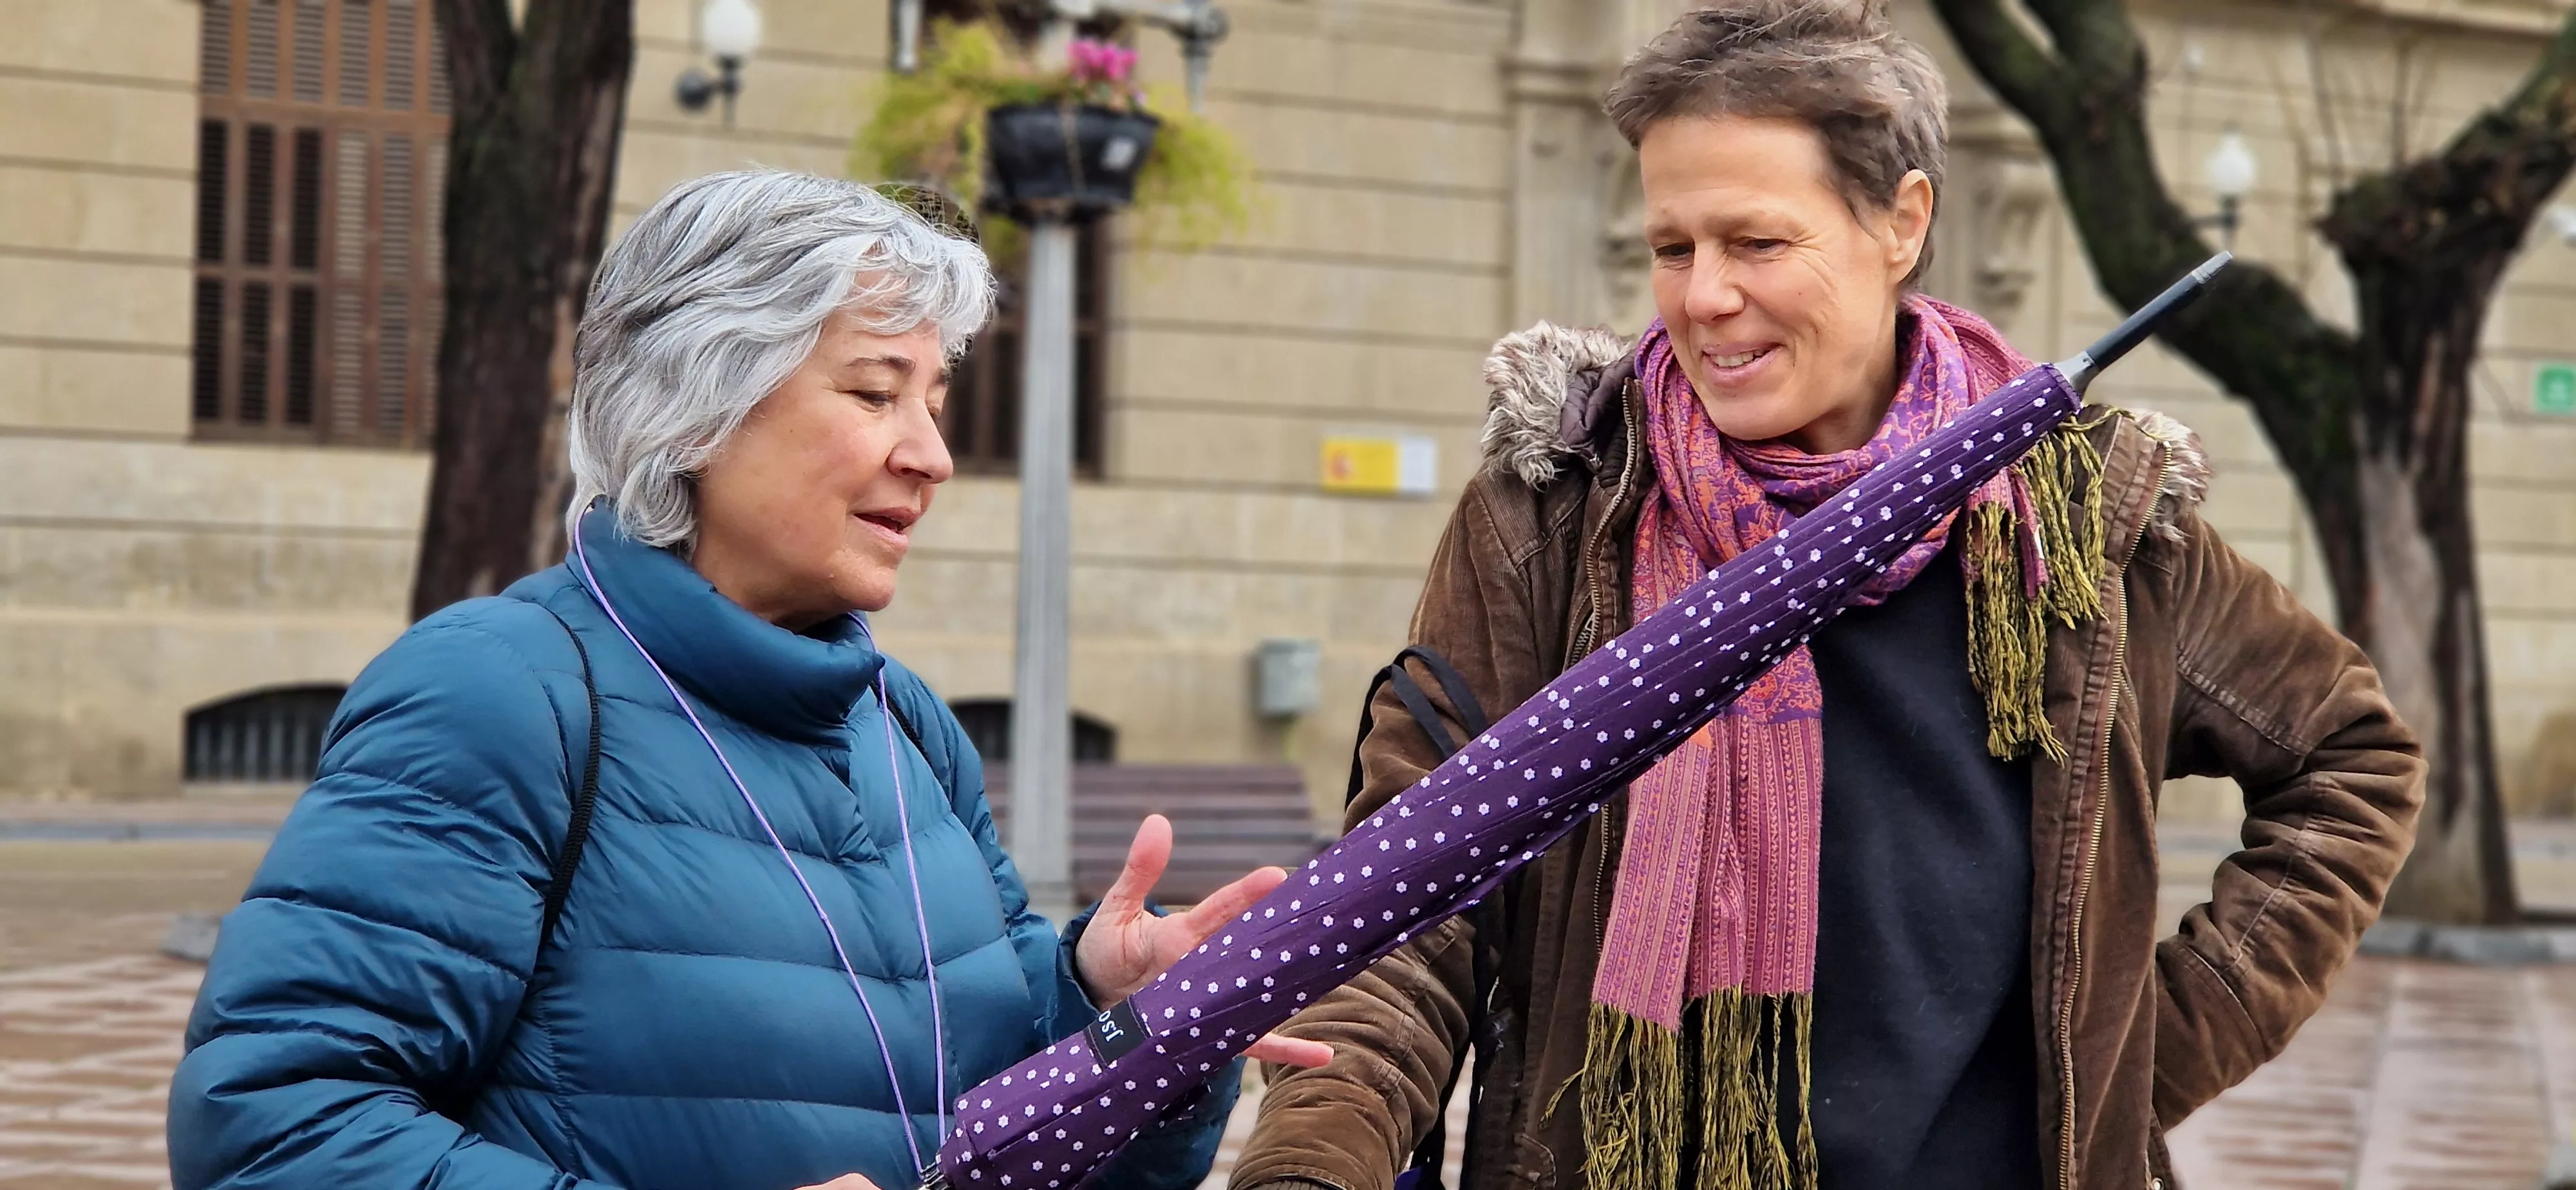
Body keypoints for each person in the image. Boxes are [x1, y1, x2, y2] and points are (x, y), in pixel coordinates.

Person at [1228, 5, 2422, 1190]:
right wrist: (1313, 1164)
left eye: (1755, 244)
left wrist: (2115, 1069)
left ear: (1901, 222)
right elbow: (1397, 905)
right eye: (1672, 247)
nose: (1701, 299)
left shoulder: (2088, 516)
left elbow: (2350, 761)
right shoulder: (1554, 510)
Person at [164, 170, 1329, 1190]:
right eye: (875, 393)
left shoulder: (905, 725)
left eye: (933, 400)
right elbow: (272, 1128)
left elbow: (997, 1128)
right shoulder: (499, 694)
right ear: (698, 407)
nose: (930, 455)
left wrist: (1115, 1017)